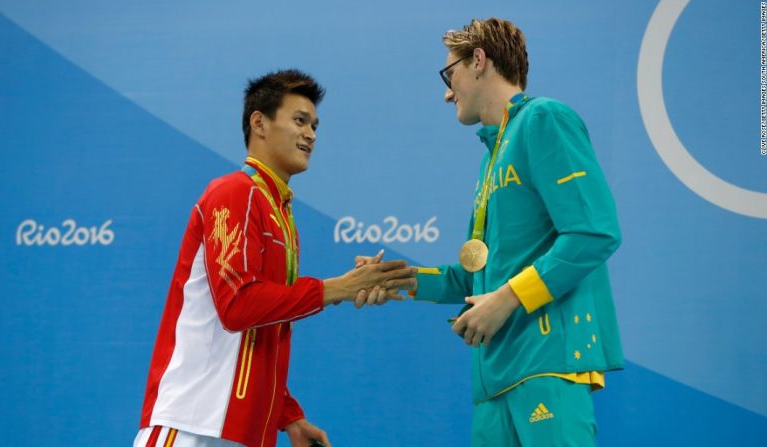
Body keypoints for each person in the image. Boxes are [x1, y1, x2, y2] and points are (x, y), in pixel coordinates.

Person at [134, 69, 416, 447]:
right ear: (259, 123)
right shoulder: (234, 192)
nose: (311, 134)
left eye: (315, 125)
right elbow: (238, 306)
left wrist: (288, 417)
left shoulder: (280, 214)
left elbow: (261, 327)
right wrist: (339, 288)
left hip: (246, 432)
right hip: (190, 424)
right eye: (300, 120)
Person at [409, 18, 624, 446]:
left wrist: (507, 300)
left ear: (479, 61)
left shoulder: (543, 119)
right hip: (493, 380)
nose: (446, 92)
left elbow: (594, 232)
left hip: (547, 364)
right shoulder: (493, 156)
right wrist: (405, 280)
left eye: (449, 74)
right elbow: (481, 276)